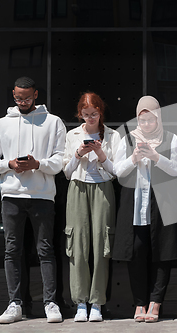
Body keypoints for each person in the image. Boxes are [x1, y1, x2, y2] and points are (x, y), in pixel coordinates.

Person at [0, 77, 66, 324]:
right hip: (11, 195)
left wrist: (38, 164)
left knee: (46, 250)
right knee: (11, 250)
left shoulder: (53, 122)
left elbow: (60, 160)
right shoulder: (1, 124)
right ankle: (14, 303)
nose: (22, 102)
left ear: (36, 94)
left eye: (27, 98)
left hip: (42, 195)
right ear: (13, 95)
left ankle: (51, 302)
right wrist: (9, 164)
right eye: (18, 98)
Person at [113, 96, 177, 323]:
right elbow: (117, 171)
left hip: (163, 205)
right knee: (137, 255)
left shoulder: (170, 137)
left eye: (150, 120)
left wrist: (155, 156)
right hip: (135, 207)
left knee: (163, 254)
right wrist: (133, 158)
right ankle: (140, 303)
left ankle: (156, 302)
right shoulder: (128, 138)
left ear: (158, 118)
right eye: (141, 120)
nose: (146, 125)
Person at [62, 92, 120, 322]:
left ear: (101, 112)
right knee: (77, 244)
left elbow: (116, 172)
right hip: (77, 188)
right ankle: (80, 303)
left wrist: (99, 153)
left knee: (101, 244)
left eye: (94, 114)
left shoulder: (112, 135)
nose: (90, 119)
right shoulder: (72, 135)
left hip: (103, 189)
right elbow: (66, 172)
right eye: (85, 115)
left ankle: (97, 301)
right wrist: (78, 153)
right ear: (80, 114)